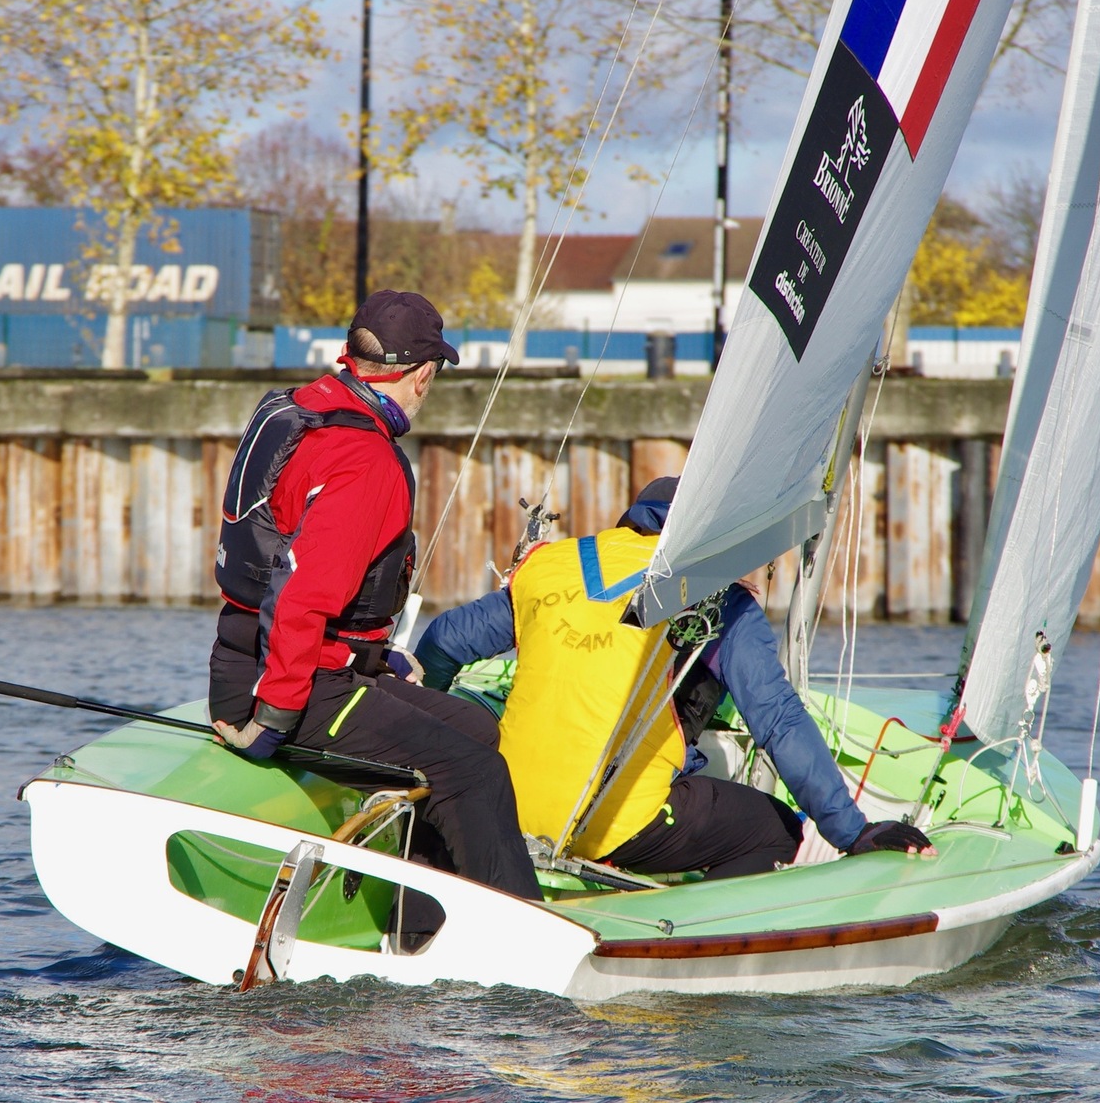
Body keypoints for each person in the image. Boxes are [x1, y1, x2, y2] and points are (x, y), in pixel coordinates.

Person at [415, 477, 934, 881]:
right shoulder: (716, 594)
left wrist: (422, 720)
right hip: (610, 824)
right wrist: (852, 831)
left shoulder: (553, 564)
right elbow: (776, 718)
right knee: (773, 828)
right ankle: (683, 934)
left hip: (504, 804)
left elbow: (443, 639)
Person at [207, 289, 540, 906]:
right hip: (289, 687)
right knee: (476, 770)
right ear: (421, 375)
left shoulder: (296, 408)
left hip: (255, 659)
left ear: (351, 354)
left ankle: (421, 913)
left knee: (474, 728)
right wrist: (272, 720)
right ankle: (519, 928)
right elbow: (302, 596)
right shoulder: (365, 460)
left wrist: (373, 657)